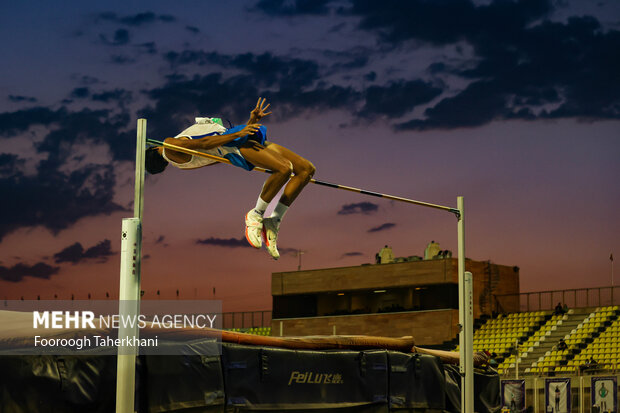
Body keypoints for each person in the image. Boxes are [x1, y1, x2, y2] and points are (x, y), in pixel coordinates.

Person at [144, 98, 315, 260]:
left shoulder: (182, 164)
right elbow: (205, 143)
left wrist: (250, 124)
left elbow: (215, 151)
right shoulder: (169, 146)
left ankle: (273, 221)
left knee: (306, 170)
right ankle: (255, 215)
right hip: (235, 146)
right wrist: (239, 134)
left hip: (237, 141)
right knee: (284, 169)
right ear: (154, 149)